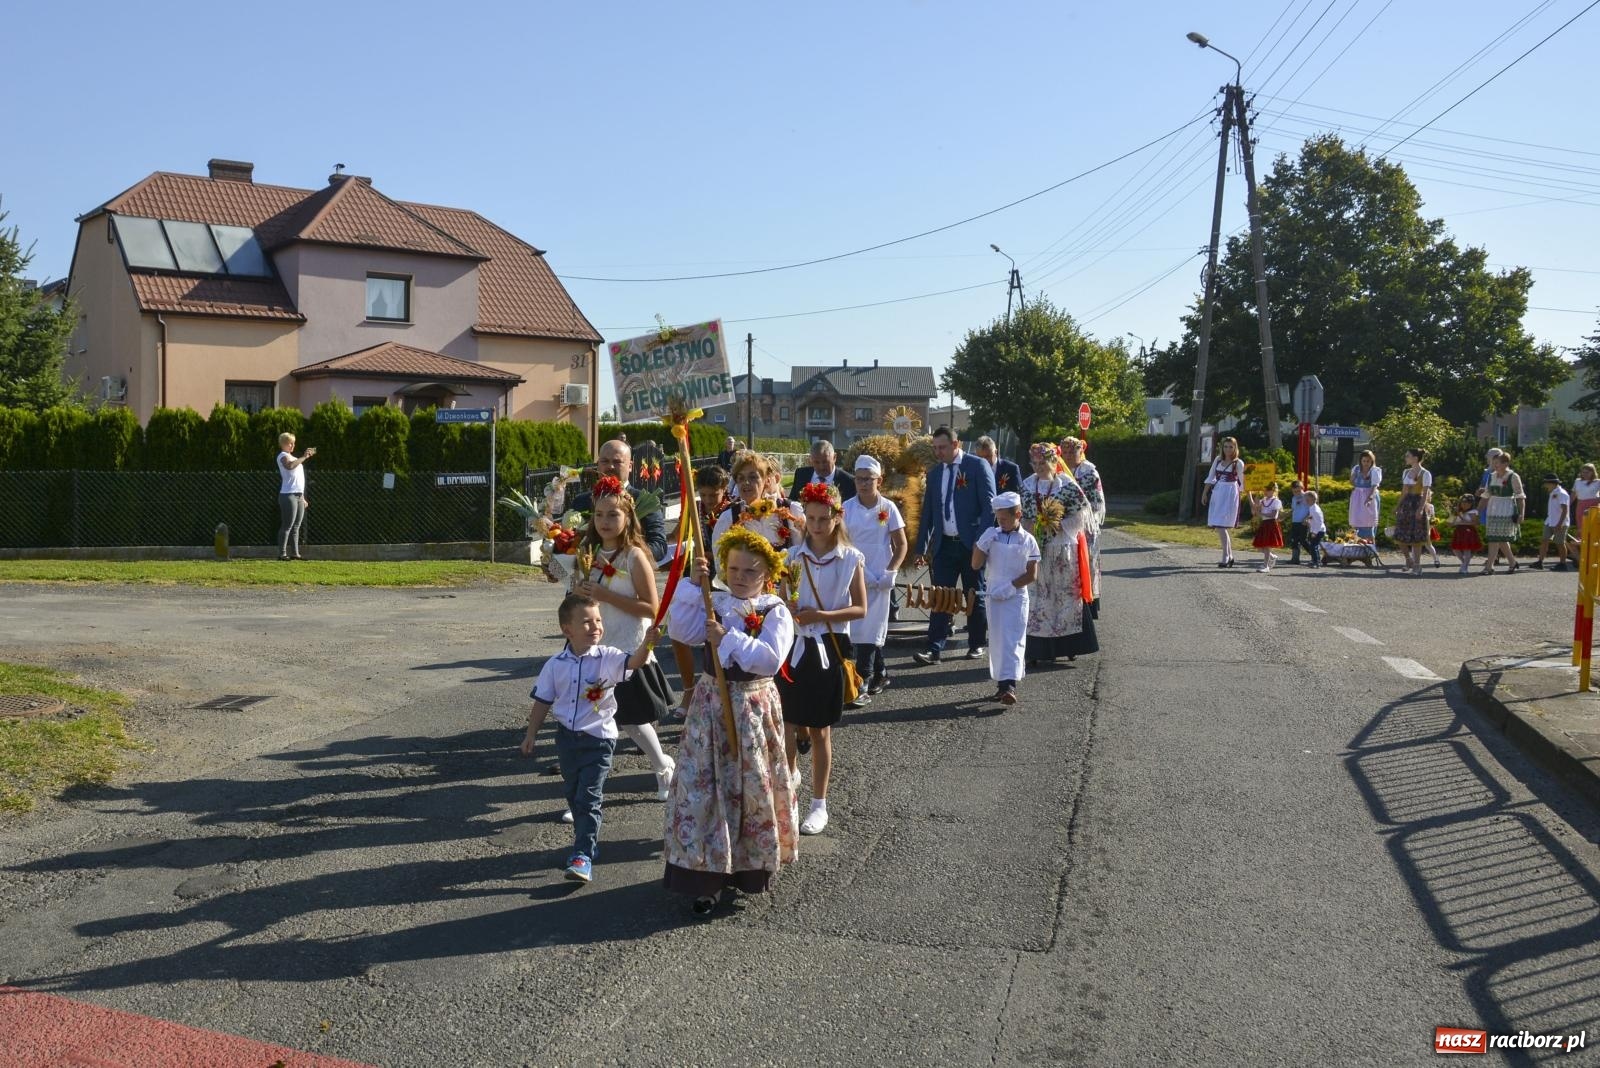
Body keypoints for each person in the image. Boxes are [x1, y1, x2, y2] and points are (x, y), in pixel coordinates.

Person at [664, 527, 799, 918]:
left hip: (751, 706)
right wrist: (694, 585)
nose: (739, 576)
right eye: (733, 568)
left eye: (749, 570)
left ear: (766, 573)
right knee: (704, 787)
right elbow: (681, 631)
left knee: (749, 785)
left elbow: (770, 659)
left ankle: (746, 869)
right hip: (710, 705)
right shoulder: (716, 602)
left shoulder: (775, 611)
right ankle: (705, 879)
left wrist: (728, 639)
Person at [521, 592, 656, 884]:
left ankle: (582, 855)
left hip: (599, 740)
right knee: (573, 794)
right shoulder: (555, 664)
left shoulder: (608, 657)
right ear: (567, 630)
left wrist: (647, 642)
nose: (595, 626)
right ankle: (586, 840)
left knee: (588, 798)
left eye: (598, 620)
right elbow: (542, 702)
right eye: (586, 622)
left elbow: (635, 662)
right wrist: (531, 734)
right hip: (566, 740)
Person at [568, 477, 676, 802]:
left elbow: (652, 608)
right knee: (590, 721)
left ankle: (663, 767)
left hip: (627, 646)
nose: (605, 521)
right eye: (599, 515)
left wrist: (606, 595)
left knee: (633, 722)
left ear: (627, 517)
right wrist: (578, 593)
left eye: (613, 514)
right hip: (593, 647)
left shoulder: (634, 556)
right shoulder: (587, 553)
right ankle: (586, 793)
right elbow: (576, 596)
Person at [779, 482, 867, 835]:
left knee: (819, 730)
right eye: (811, 519)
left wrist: (822, 615)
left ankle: (819, 805)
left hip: (829, 645)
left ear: (836, 518)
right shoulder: (792, 557)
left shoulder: (850, 558)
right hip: (794, 644)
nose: (816, 525)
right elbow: (783, 599)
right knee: (786, 722)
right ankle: (788, 791)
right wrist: (787, 609)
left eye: (823, 519)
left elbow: (860, 608)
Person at [911, 426, 995, 665]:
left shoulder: (977, 466)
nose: (938, 452)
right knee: (941, 597)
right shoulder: (935, 473)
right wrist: (921, 548)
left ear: (956, 444)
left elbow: (990, 507)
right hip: (944, 546)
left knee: (973, 594)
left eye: (943, 447)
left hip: (971, 545)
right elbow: (928, 513)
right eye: (935, 448)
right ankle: (934, 648)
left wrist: (981, 542)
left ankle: (976, 643)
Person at [1019, 442, 1098, 667]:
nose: (1038, 468)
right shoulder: (1028, 485)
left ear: (1054, 462)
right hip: (1036, 549)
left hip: (1062, 549)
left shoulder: (1066, 485)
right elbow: (1022, 515)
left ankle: (1069, 645)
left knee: (1064, 597)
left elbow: (1080, 517)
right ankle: (1037, 649)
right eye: (1035, 463)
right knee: (1038, 598)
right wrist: (1031, 527)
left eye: (1042, 463)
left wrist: (1056, 525)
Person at [669, 465, 732, 719]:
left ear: (724, 490)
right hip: (697, 576)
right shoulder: (694, 509)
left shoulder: (733, 510)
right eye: (703, 495)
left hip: (725, 582)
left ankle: (717, 696)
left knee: (714, 637)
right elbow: (675, 537)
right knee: (676, 630)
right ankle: (688, 690)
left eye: (713, 495)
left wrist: (713, 556)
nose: (707, 500)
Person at [843, 455, 906, 697]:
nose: (863, 483)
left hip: (879, 577)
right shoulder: (847, 508)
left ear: (879, 480)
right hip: (854, 573)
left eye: (868, 479)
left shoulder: (888, 507)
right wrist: (860, 570)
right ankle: (879, 672)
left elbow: (901, 544)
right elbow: (842, 542)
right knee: (857, 626)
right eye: (859, 479)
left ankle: (865, 676)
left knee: (873, 626)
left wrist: (891, 571)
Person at [973, 492, 1039, 705]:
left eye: (1004, 518)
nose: (1000, 522)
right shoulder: (992, 536)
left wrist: (1011, 587)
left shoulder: (1028, 540)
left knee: (1013, 639)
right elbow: (975, 565)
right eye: (998, 518)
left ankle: (1010, 686)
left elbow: (1032, 574)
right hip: (994, 593)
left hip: (1016, 595)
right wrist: (981, 544)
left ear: (1017, 514)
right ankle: (1002, 685)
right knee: (998, 639)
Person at [566, 439, 669, 562]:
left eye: (617, 462)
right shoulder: (581, 501)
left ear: (630, 466)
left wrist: (621, 558)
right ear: (598, 464)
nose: (610, 466)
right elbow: (567, 540)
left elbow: (659, 546)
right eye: (605, 461)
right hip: (584, 572)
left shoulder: (645, 502)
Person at [713, 452, 799, 551]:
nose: (746, 482)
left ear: (766, 480)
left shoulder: (790, 510)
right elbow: (720, 558)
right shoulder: (728, 518)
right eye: (741, 478)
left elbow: (802, 553)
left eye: (753, 477)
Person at [1060, 437, 1104, 613]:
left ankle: (1088, 604)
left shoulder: (1089, 473)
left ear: (1081, 452)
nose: (1068, 455)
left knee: (1086, 563)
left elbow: (1096, 503)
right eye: (1065, 452)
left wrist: (1079, 516)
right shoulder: (1059, 470)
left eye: (1072, 452)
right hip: (1065, 527)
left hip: (1085, 527)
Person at [1200, 437, 1245, 567]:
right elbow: (1211, 476)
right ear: (1222, 447)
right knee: (1219, 525)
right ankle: (1229, 556)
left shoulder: (1238, 463)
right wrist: (1204, 493)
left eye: (1231, 447)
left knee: (1221, 526)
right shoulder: (1218, 460)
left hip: (1230, 494)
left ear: (1235, 448)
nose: (1228, 449)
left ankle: (1226, 556)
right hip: (1218, 492)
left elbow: (1243, 483)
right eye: (1225, 446)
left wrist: (1250, 500)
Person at [1479, 450, 1525, 574]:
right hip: (1492, 509)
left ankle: (1489, 566)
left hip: (1506, 509)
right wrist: (1478, 510)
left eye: (1497, 463)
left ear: (1505, 463)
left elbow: (1520, 497)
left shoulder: (1513, 476)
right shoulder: (1492, 476)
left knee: (1496, 539)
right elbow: (1486, 495)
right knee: (1498, 538)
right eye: (1494, 463)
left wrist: (1521, 514)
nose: (1495, 465)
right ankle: (1512, 562)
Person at [275, 432, 316, 561]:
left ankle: (295, 554)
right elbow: (290, 466)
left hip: (298, 496)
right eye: (290, 443)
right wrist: (304, 457)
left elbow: (299, 480)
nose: (292, 445)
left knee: (296, 526)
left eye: (293, 443)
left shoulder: (294, 457)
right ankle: (282, 554)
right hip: (288, 495)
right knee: (287, 525)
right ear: (283, 444)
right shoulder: (282, 456)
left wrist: (302, 497)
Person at [788, 439, 857, 502]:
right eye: (816, 462)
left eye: (825, 462)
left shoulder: (849, 481)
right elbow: (792, 501)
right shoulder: (801, 474)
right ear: (811, 459)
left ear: (834, 457)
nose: (821, 467)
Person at [1535, 474, 1571, 572]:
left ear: (1552, 483)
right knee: (1544, 540)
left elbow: (1565, 510)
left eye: (1546, 483)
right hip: (1550, 521)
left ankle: (1563, 564)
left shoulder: (1561, 493)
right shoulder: (1552, 492)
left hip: (1560, 523)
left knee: (1560, 543)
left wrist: (1560, 524)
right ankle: (1540, 562)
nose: (1545, 485)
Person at [1250, 482, 1284, 573]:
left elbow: (1273, 515)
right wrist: (1253, 499)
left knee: (1267, 546)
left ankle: (1266, 566)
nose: (1265, 492)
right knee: (1259, 546)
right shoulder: (1263, 500)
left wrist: (1261, 513)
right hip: (1264, 524)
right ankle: (1272, 556)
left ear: (1273, 491)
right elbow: (1254, 512)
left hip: (1271, 524)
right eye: (1264, 490)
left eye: (1268, 490)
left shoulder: (1276, 501)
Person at [1349, 450, 1383, 541]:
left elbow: (1375, 485)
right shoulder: (1356, 468)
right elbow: (1352, 481)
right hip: (1357, 496)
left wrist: (1370, 497)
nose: (1366, 463)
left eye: (1368, 461)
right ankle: (1358, 543)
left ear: (1372, 461)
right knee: (1357, 520)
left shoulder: (1374, 470)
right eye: (1364, 461)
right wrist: (1354, 479)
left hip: (1369, 494)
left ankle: (1371, 544)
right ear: (1361, 461)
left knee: (1368, 521)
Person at [1449, 494, 1483, 575]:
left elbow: (1475, 523)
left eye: (1467, 502)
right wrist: (1453, 515)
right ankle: (1464, 562)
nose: (1464, 504)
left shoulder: (1473, 512)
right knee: (1455, 549)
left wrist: (1461, 521)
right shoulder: (1457, 511)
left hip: (1468, 532)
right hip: (1459, 532)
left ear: (1471, 504)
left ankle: (1465, 567)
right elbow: (1449, 523)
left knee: (1467, 549)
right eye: (1463, 502)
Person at [1286, 480, 1311, 565]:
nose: (1296, 493)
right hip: (1295, 522)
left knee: (1304, 540)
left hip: (1303, 522)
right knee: (1294, 540)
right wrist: (1284, 516)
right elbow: (1293, 509)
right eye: (1294, 491)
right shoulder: (1293, 498)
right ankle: (1295, 559)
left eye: (1298, 491)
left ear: (1302, 488)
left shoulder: (1307, 496)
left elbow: (1312, 509)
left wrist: (1307, 518)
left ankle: (1315, 557)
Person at [1573, 463, 1600, 533]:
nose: (1585, 474)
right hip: (1580, 505)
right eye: (1583, 472)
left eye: (1587, 472)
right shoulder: (1577, 481)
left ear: (1592, 472)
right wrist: (1567, 505)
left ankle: (1592, 538)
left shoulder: (1598, 482)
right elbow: (1573, 495)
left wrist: (1597, 501)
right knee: (1581, 524)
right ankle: (1582, 539)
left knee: (1592, 525)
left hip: (1593, 506)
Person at [1304, 491, 1327, 567]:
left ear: (1313, 499)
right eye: (1306, 499)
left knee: (1313, 546)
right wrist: (1309, 520)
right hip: (1315, 530)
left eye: (1308, 500)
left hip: (1318, 530)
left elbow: (1319, 522)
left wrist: (1315, 532)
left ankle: (1316, 562)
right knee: (1313, 546)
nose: (1306, 501)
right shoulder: (1312, 507)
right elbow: (1313, 518)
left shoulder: (1315, 510)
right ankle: (1315, 560)